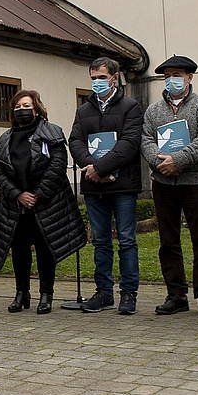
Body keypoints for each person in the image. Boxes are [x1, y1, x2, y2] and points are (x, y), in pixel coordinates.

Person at [0, 90, 86, 314]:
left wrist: (38, 194)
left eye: (26, 106)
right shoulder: (6, 138)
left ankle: (46, 294)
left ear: (37, 108)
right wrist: (17, 195)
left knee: (45, 250)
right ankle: (21, 293)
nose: (22, 110)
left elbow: (58, 166)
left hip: (46, 203)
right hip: (16, 205)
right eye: (18, 107)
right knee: (19, 250)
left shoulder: (51, 133)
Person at [141, 55, 198, 318]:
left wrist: (179, 160)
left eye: (177, 75)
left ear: (189, 78)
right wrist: (159, 162)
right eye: (168, 75)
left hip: (195, 181)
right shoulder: (154, 111)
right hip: (163, 182)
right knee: (168, 240)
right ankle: (176, 294)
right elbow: (146, 140)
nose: (172, 80)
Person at [68, 57, 143, 315]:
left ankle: (129, 293)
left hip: (122, 185)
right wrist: (90, 166)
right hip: (93, 186)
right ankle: (103, 292)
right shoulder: (83, 110)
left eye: (101, 77)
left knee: (126, 240)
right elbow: (75, 141)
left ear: (114, 77)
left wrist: (102, 168)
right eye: (93, 78)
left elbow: (130, 143)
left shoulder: (131, 106)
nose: (97, 82)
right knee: (100, 241)